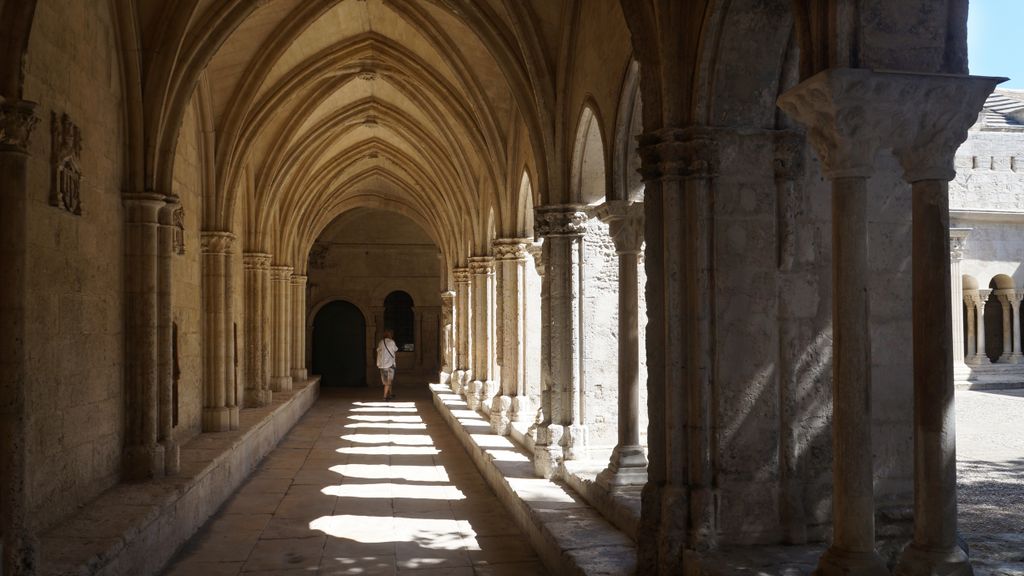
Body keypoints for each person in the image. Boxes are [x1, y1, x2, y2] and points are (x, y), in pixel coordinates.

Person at [376, 329, 399, 401]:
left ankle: (391, 394)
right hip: (390, 364)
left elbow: (378, 351)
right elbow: (395, 349)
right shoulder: (392, 342)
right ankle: (385, 397)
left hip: (382, 365)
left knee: (387, 381)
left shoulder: (380, 342)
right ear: (391, 335)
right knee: (388, 382)